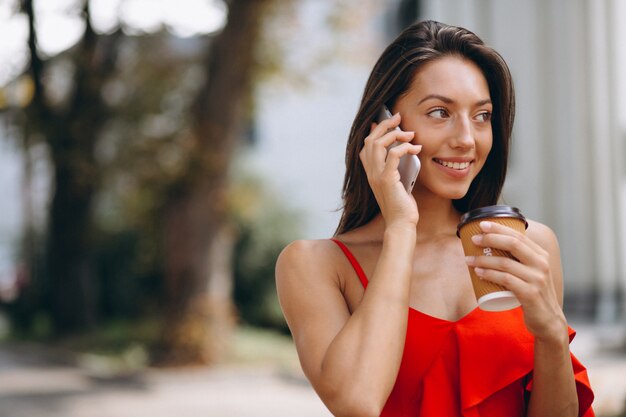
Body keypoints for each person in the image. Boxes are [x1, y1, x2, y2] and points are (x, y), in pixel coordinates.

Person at [275, 20, 594, 417]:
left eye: (482, 115)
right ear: (384, 123)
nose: (466, 138)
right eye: (440, 112)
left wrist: (551, 335)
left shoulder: (527, 244)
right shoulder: (316, 265)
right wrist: (401, 228)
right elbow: (357, 401)